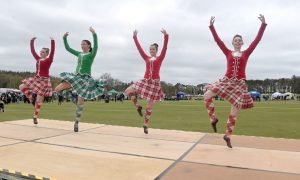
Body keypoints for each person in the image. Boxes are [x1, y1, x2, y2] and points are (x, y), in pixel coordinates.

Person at [204, 15, 267, 148]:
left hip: (239, 84)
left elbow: (257, 41)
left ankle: (227, 135)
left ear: (242, 43)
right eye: (235, 40)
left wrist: (263, 25)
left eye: (240, 40)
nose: (238, 42)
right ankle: (213, 118)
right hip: (226, 81)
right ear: (232, 43)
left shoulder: (246, 53)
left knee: (234, 109)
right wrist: (211, 27)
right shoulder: (227, 52)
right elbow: (218, 41)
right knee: (206, 95)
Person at [54, 27, 104, 132]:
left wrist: (94, 34)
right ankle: (69, 96)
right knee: (58, 88)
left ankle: (76, 123)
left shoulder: (91, 54)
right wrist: (64, 38)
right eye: (81, 44)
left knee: (81, 102)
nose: (82, 45)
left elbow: (97, 47)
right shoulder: (79, 54)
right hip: (76, 77)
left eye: (84, 44)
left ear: (89, 46)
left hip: (85, 78)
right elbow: (68, 49)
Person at [124, 28, 169, 134]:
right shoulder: (146, 58)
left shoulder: (160, 58)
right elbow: (139, 49)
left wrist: (166, 36)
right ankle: (137, 106)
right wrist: (135, 37)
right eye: (150, 49)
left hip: (154, 84)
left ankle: (145, 124)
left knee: (149, 106)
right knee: (128, 91)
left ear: (156, 50)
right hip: (145, 81)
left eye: (153, 49)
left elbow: (165, 48)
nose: (151, 51)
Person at [19, 37, 55, 124]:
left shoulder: (49, 60)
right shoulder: (38, 59)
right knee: (21, 86)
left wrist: (52, 41)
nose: (41, 53)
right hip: (36, 79)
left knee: (39, 100)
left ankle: (35, 116)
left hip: (44, 81)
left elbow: (53, 51)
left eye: (43, 52)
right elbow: (32, 51)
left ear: (46, 54)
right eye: (41, 51)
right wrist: (31, 41)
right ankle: (31, 98)